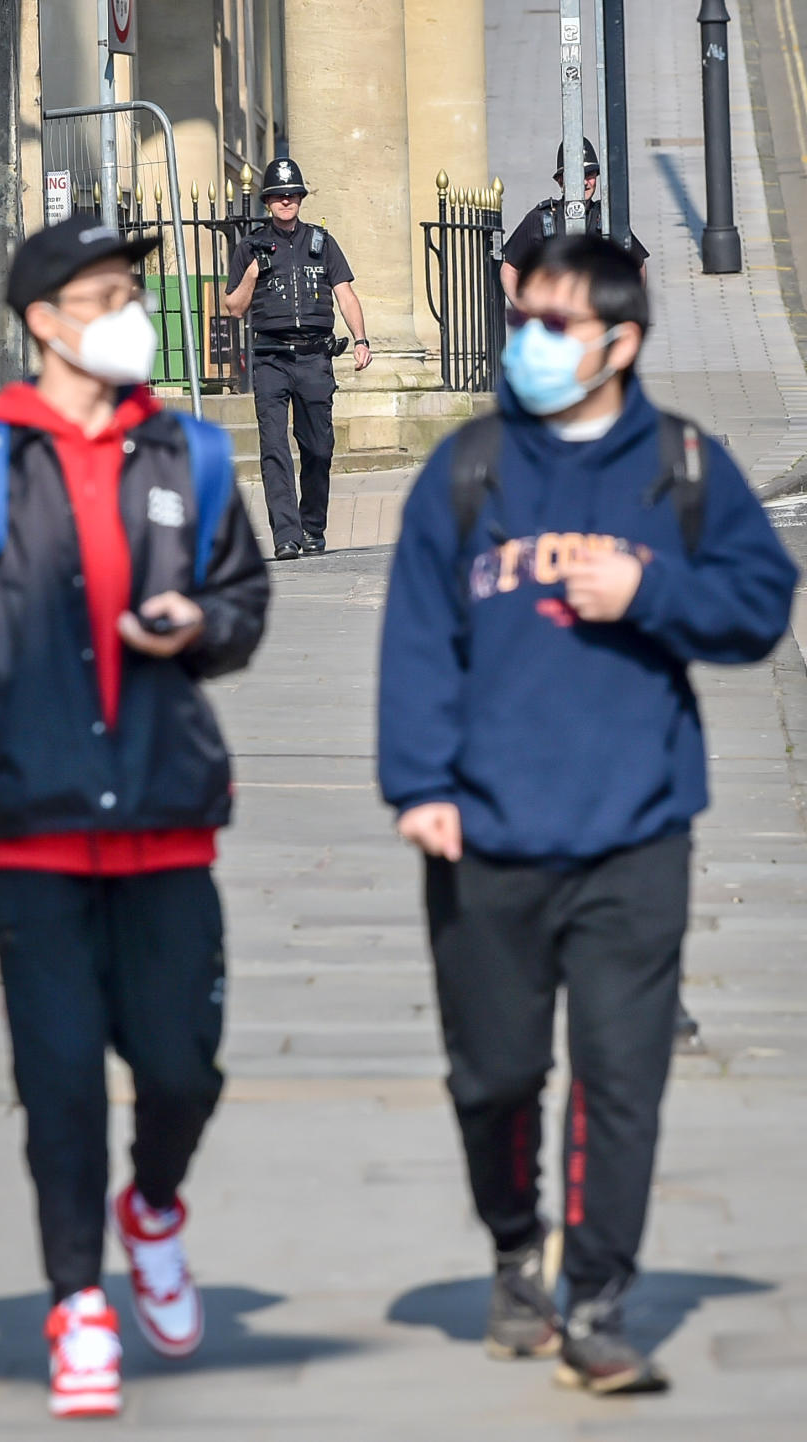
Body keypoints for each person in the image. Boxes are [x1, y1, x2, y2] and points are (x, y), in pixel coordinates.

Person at [379, 236, 796, 1395]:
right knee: (496, 1074)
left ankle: (599, 1296)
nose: (530, 342)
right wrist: (419, 787)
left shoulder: (682, 467)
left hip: (637, 832)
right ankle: (517, 1247)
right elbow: (419, 636)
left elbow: (763, 604)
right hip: (487, 834)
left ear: (622, 340)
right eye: (524, 318)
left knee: (621, 1077)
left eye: (555, 324)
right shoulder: (466, 471)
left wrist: (650, 590)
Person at [0, 215, 269, 1420]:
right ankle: (76, 1300)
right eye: (106, 294)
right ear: (45, 320)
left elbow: (245, 598)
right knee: (56, 1079)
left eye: (131, 293)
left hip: (167, 812)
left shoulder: (192, 454)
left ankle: (151, 1208)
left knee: (181, 1067)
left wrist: (199, 626)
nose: (130, 313)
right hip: (36, 822)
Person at [224, 157, 372, 560]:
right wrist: (253, 274)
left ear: (301, 199)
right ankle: (285, 536)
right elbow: (234, 308)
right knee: (274, 447)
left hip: (313, 359)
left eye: (292, 195)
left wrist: (361, 339)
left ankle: (312, 528)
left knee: (318, 447)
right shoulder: (250, 246)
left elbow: (345, 293)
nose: (286, 201)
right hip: (271, 358)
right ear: (268, 201)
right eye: (278, 196)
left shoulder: (322, 243)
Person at [501, 138, 649, 302]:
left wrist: (628, 311)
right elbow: (509, 269)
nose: (585, 182)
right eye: (577, 175)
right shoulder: (541, 219)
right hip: (556, 319)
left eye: (590, 174)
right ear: (560, 180)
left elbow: (638, 263)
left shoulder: (607, 218)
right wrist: (525, 311)